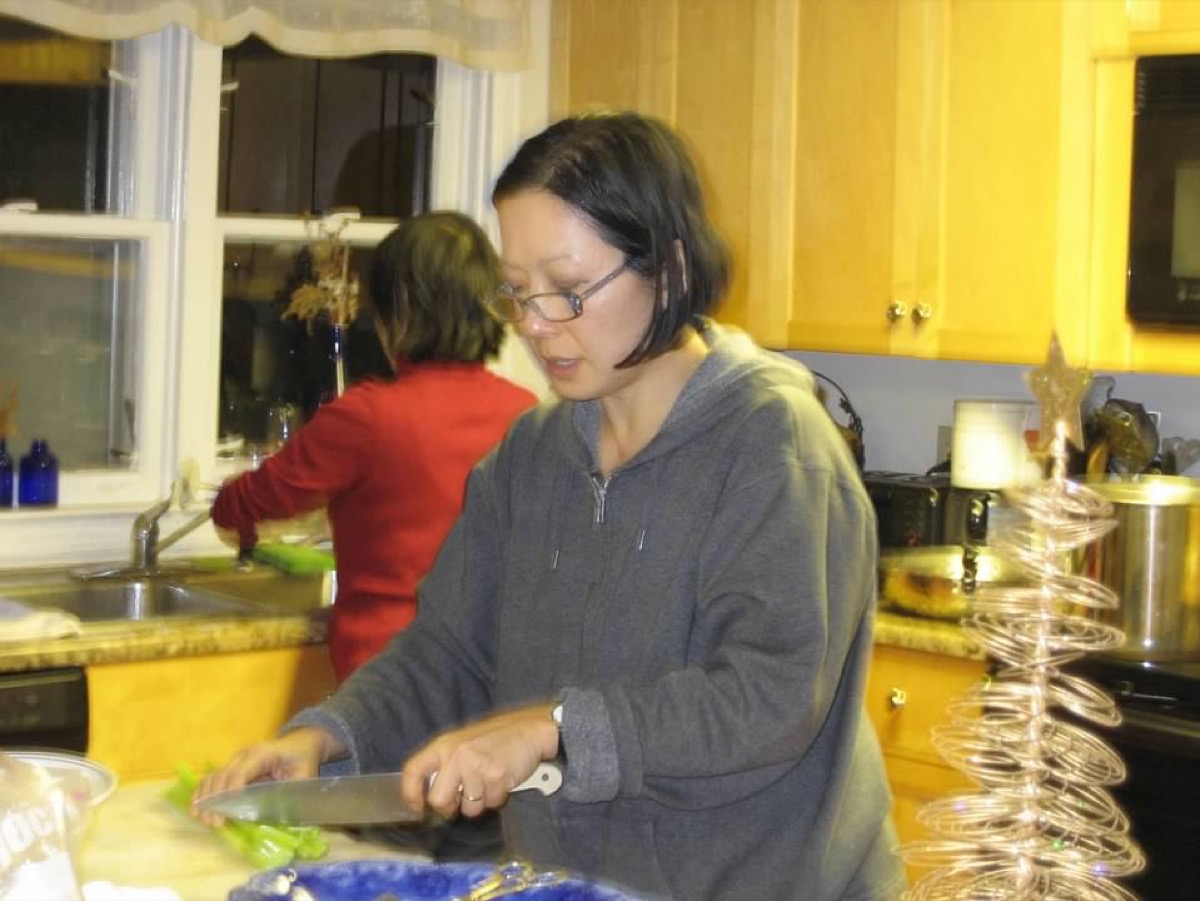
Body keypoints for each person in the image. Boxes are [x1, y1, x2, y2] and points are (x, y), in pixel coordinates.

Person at [196, 112, 906, 900]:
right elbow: (451, 651)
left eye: (567, 291)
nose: (534, 325)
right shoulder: (529, 456)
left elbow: (768, 699)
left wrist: (552, 729)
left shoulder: (773, 446)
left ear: (667, 269)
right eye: (517, 292)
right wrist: (327, 736)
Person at [210, 210, 538, 681]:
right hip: (492, 677)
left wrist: (231, 505)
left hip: (385, 683)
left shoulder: (368, 416)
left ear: (395, 315)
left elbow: (255, 499)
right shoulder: (527, 414)